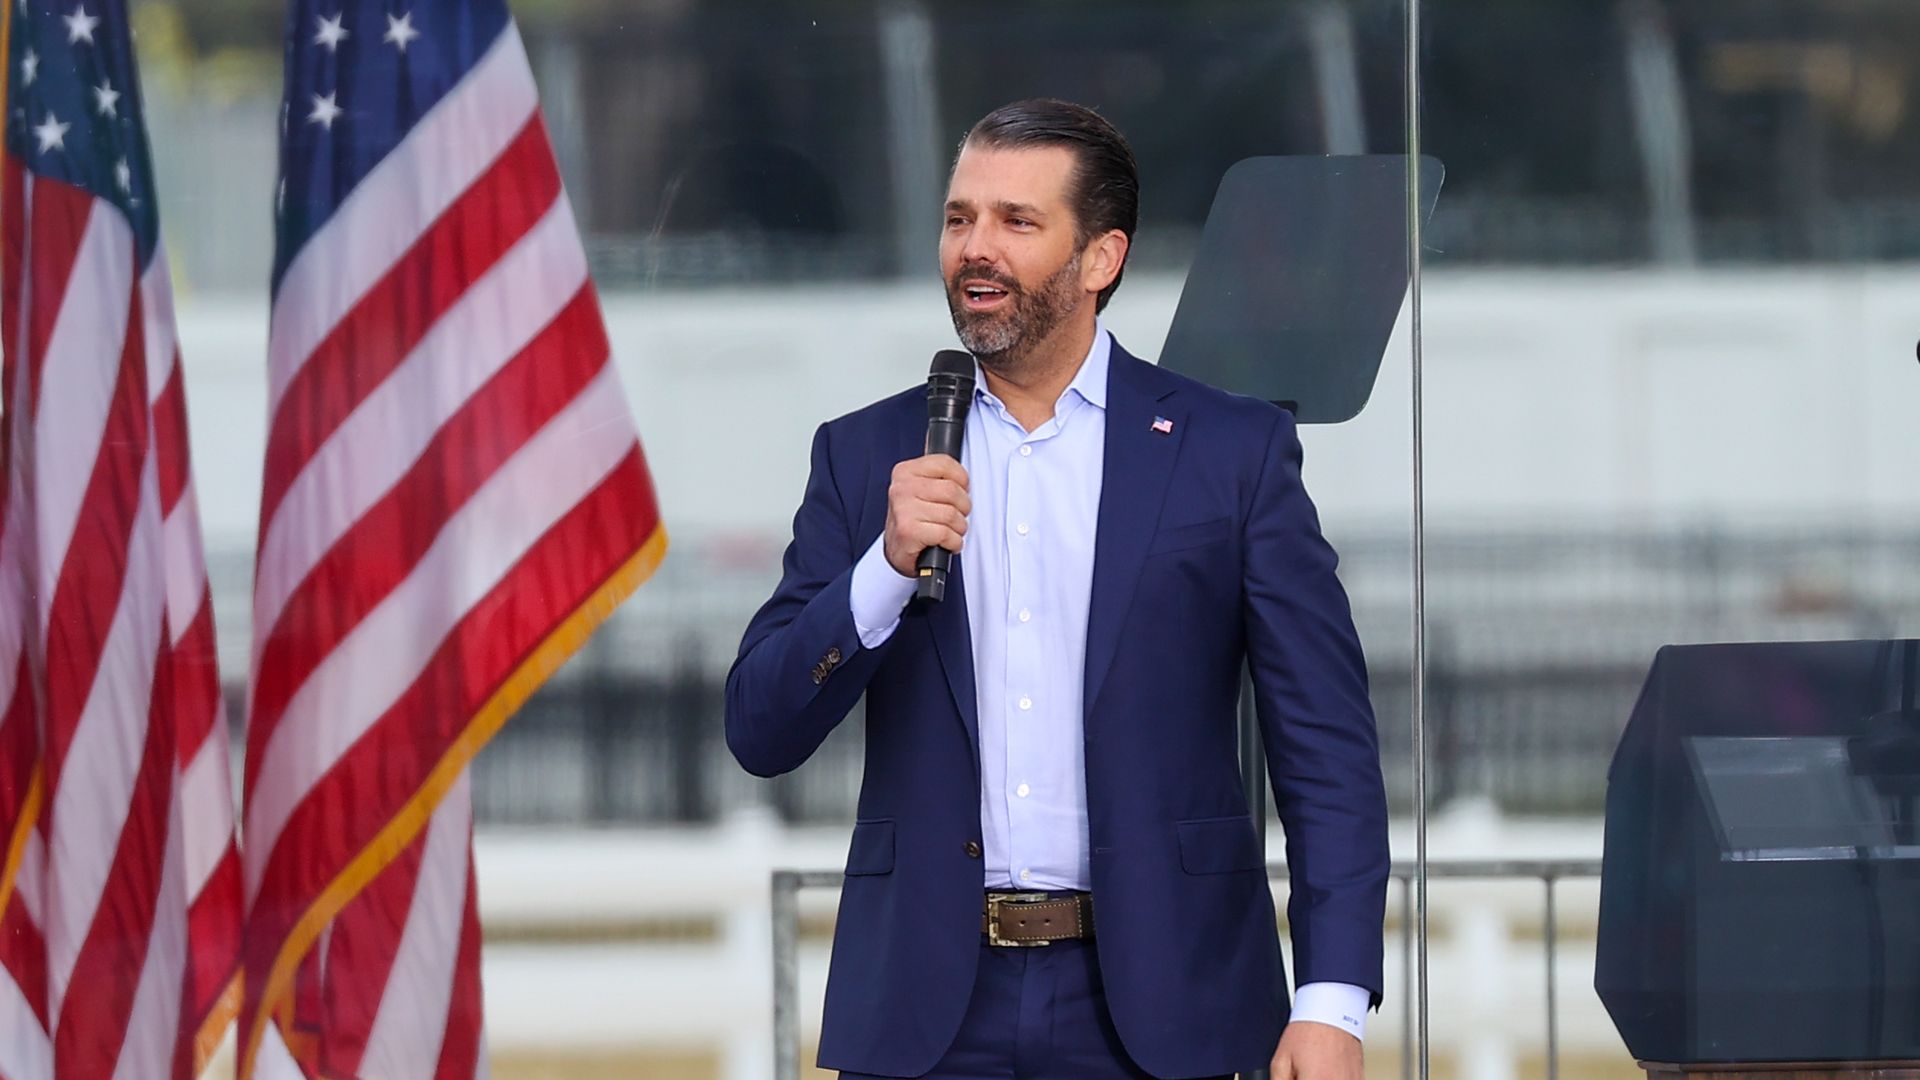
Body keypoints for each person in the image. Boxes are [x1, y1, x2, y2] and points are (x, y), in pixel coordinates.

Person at [726, 98, 1389, 1080]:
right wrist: (881, 569)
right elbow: (760, 728)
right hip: (927, 1018)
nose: (974, 249)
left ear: (1101, 259)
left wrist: (1332, 1002)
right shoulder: (867, 455)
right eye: (959, 219)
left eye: (1015, 222)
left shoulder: (1229, 454)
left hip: (1163, 1010)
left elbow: (1326, 749)